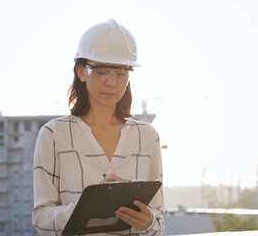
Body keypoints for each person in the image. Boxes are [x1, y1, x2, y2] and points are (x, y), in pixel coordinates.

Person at [32, 19, 165, 235]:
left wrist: (148, 221)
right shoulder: (54, 134)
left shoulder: (148, 137)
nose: (112, 83)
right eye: (102, 71)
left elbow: (159, 224)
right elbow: (40, 219)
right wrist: (86, 208)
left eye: (121, 73)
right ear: (81, 72)